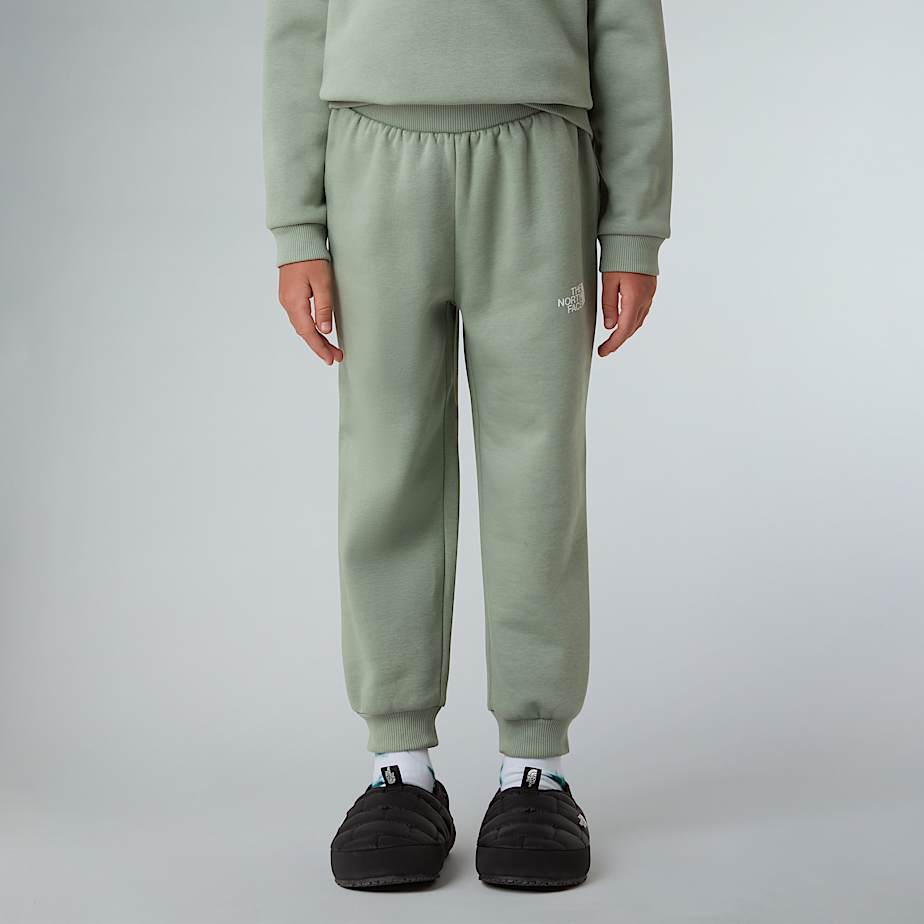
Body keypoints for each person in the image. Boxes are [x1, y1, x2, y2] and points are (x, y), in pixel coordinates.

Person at [263, 0, 672, 890]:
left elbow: (625, 25)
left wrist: (633, 226)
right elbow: (297, 24)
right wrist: (297, 227)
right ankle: (398, 764)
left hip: (538, 156)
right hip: (371, 150)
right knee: (386, 467)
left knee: (539, 472)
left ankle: (535, 765)